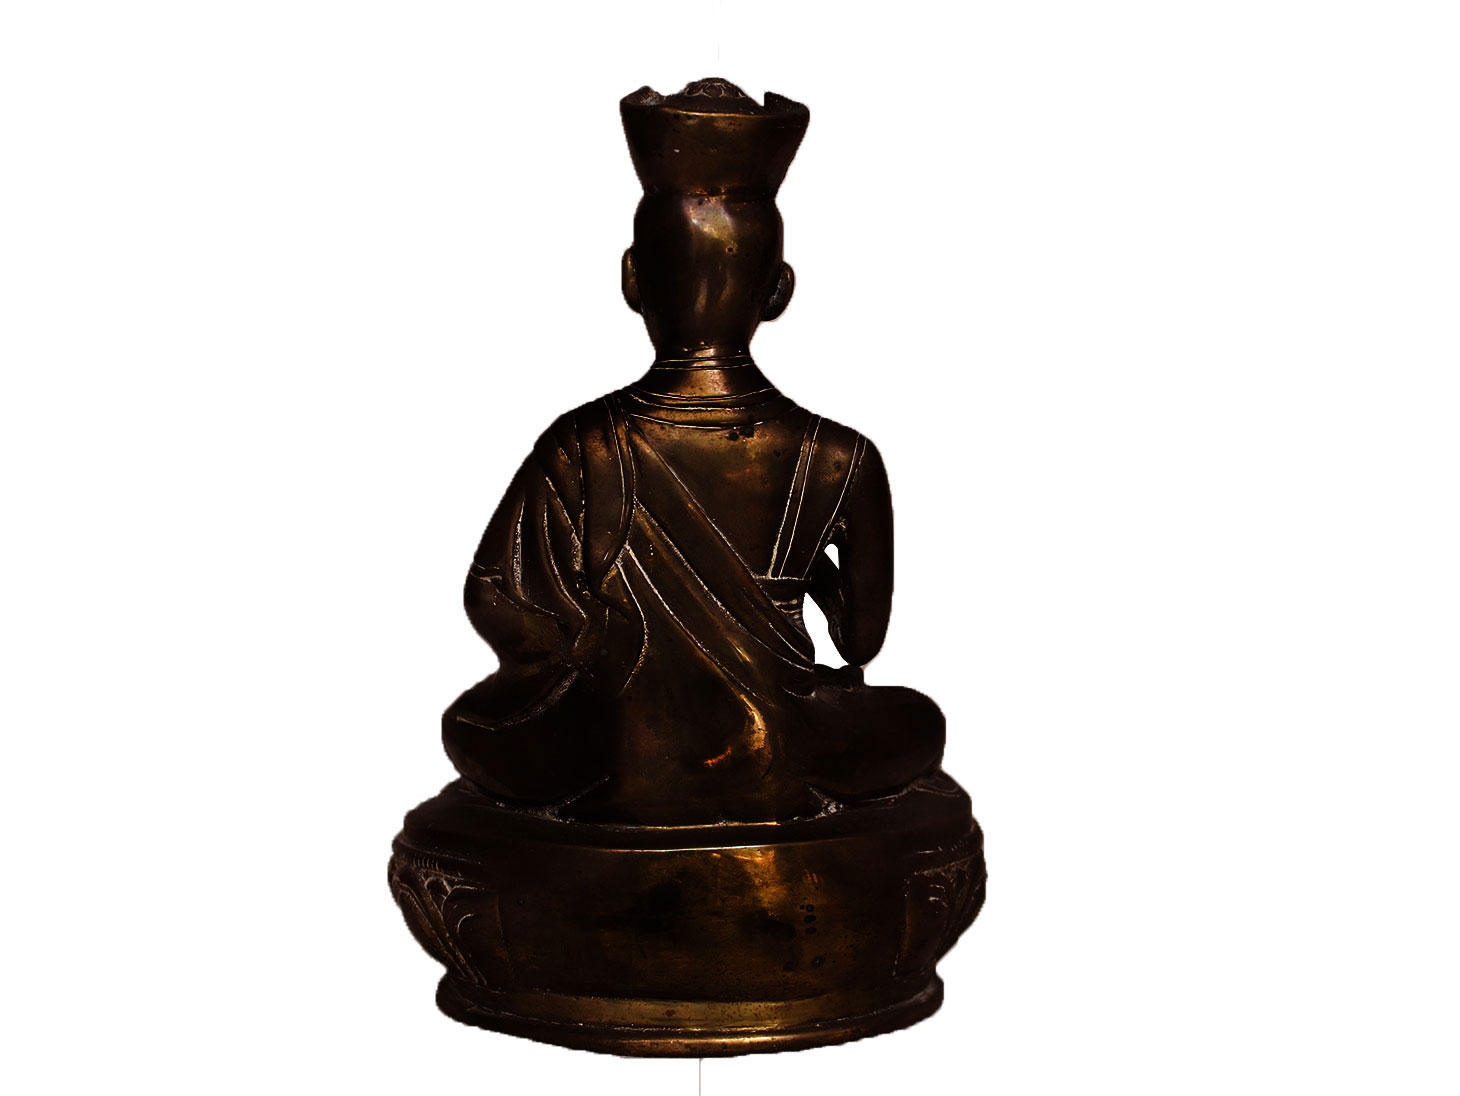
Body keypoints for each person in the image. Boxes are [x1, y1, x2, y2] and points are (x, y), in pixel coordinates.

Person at [443, 80, 945, 825]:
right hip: (786, 739)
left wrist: (600, 652)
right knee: (915, 723)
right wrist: (807, 580)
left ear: (632, 279)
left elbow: (493, 597)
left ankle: (638, 769)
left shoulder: (583, 442)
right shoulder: (840, 456)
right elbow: (860, 640)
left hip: (618, 741)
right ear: (778, 291)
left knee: (476, 727)